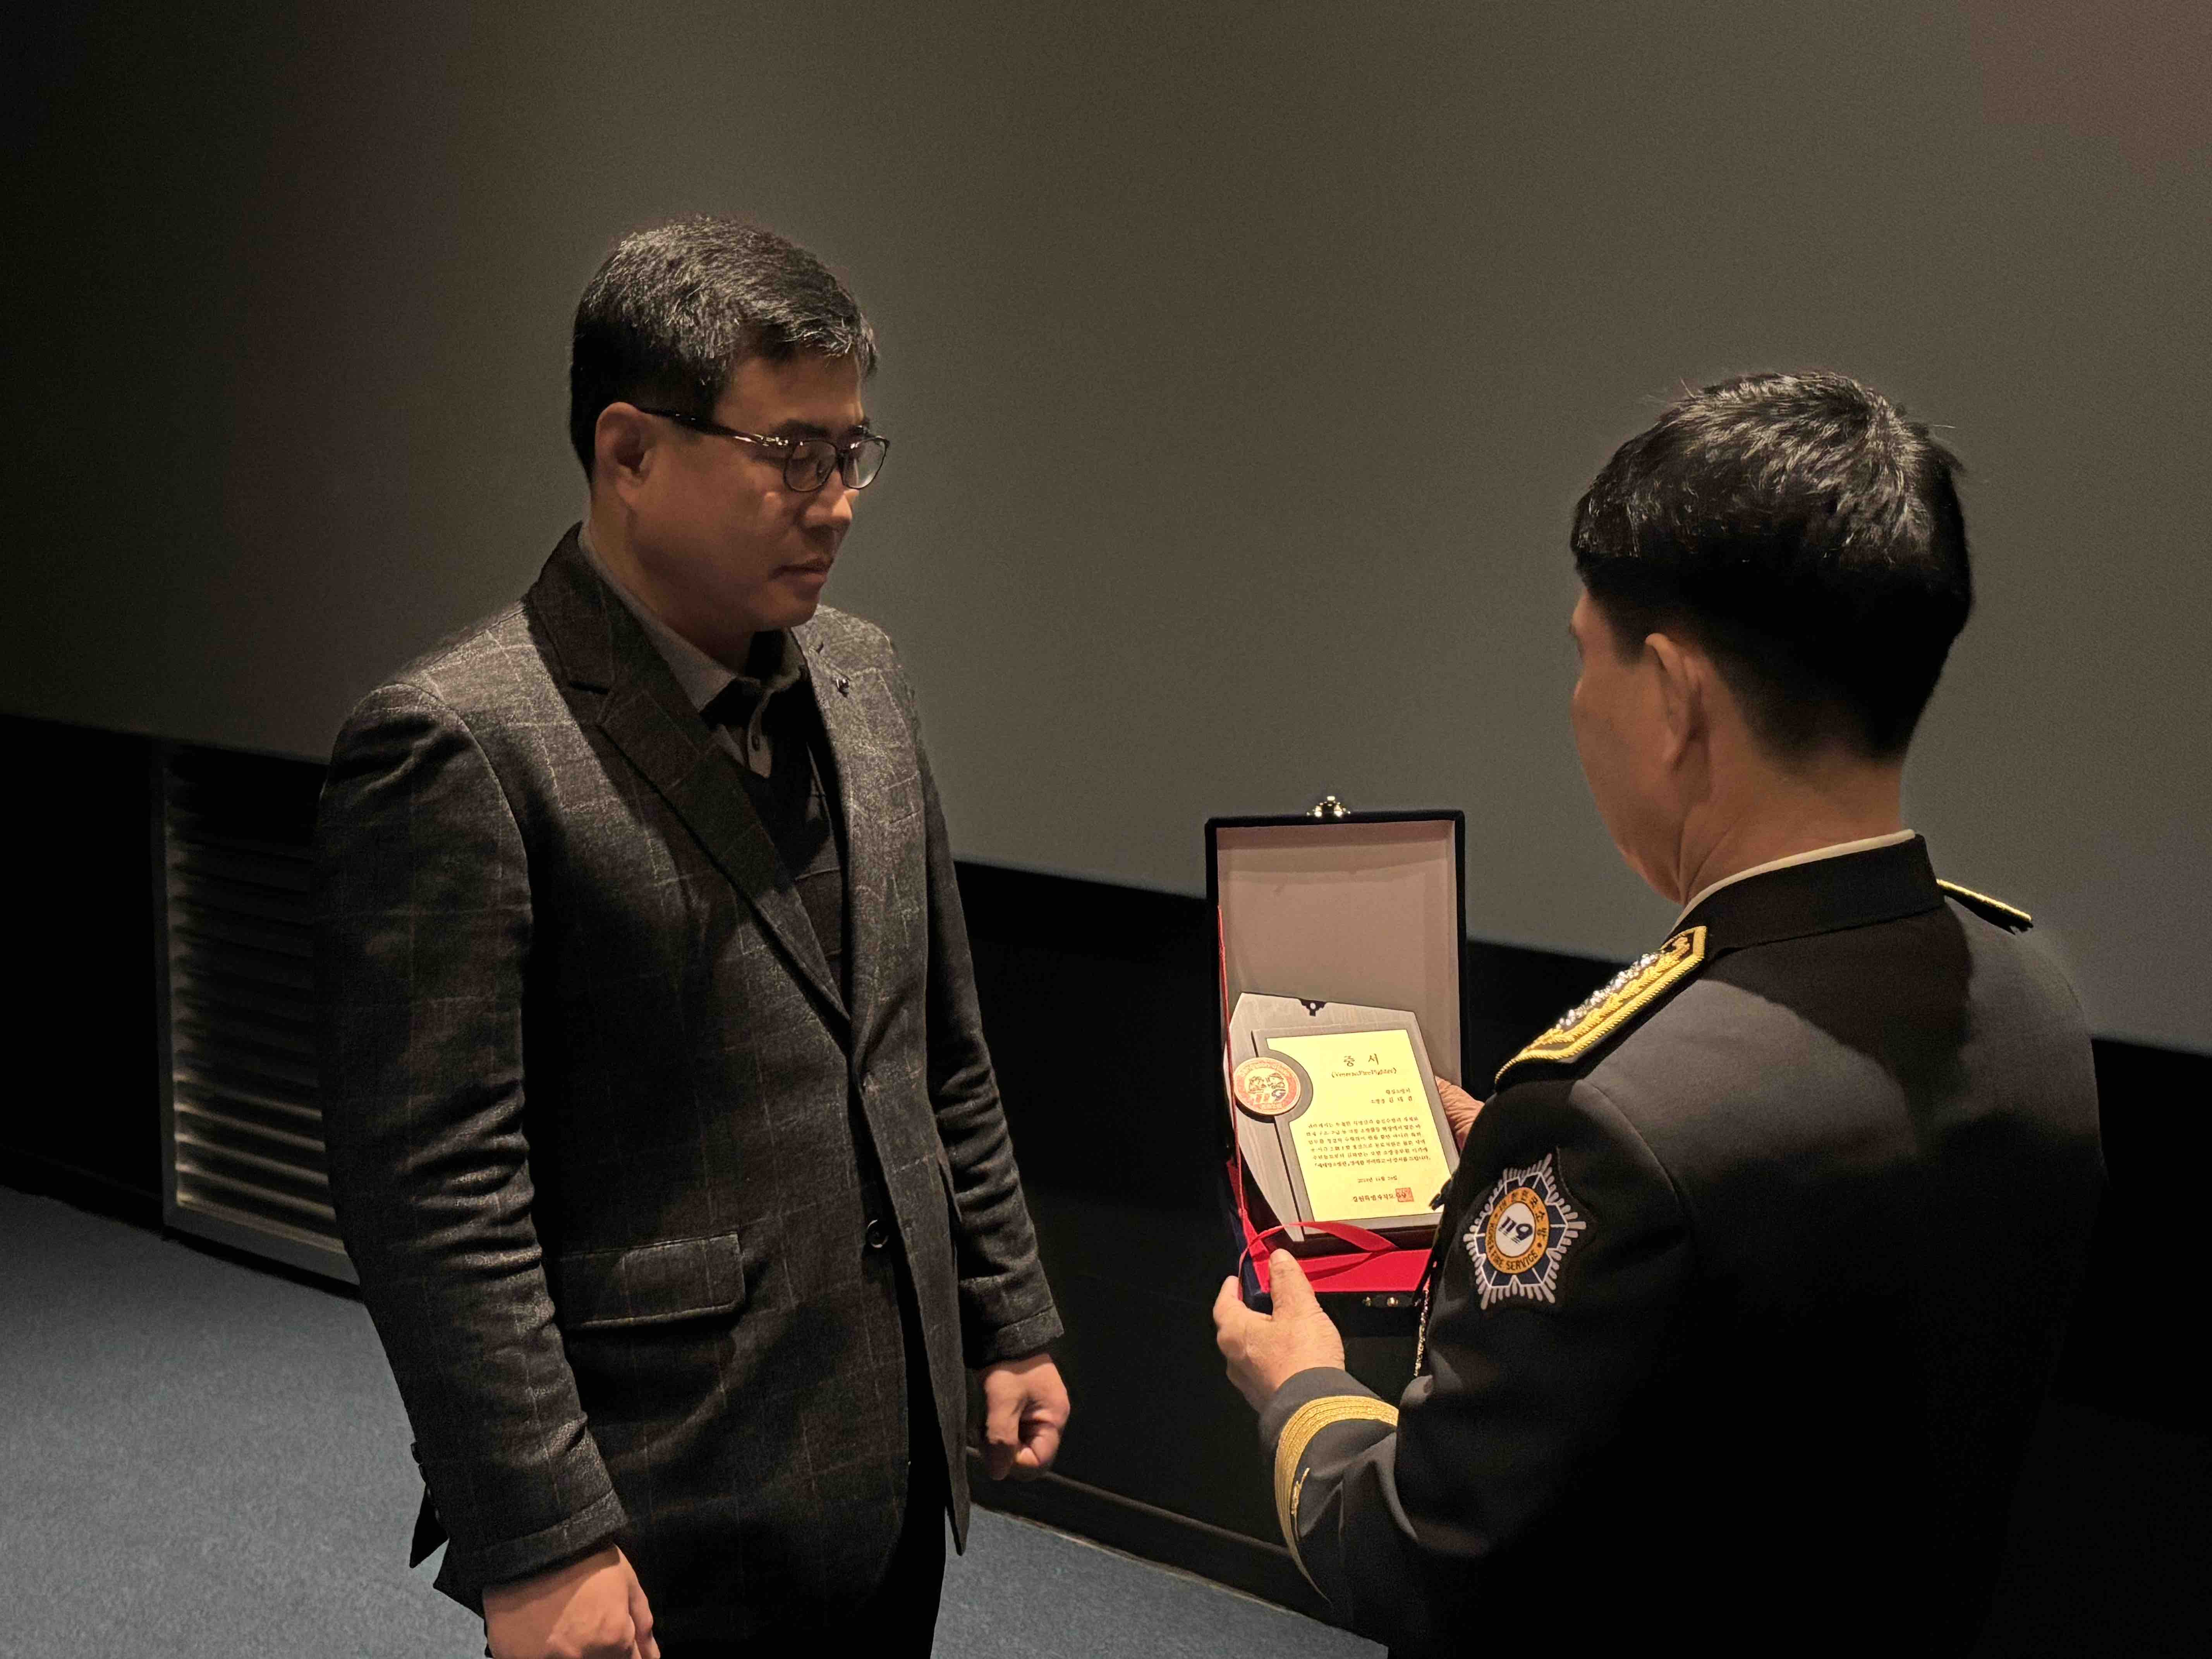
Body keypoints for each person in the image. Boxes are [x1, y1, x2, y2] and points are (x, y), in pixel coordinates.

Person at [1212, 371, 2102, 1656]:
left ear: (1677, 698)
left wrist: (1300, 1382)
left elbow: (1419, 1558)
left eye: (1587, 658)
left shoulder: (1614, 1116)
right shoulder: (2032, 1001)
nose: (1579, 702)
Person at [316, 218, 1068, 1657]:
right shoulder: (461, 744)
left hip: (887, 1459)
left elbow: (934, 1041)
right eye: (790, 453)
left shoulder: (866, 678)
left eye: (852, 452)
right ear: (629, 453)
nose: (835, 503)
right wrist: (538, 1531)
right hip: (651, 1505)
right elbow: (435, 1192)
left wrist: (1005, 1307)